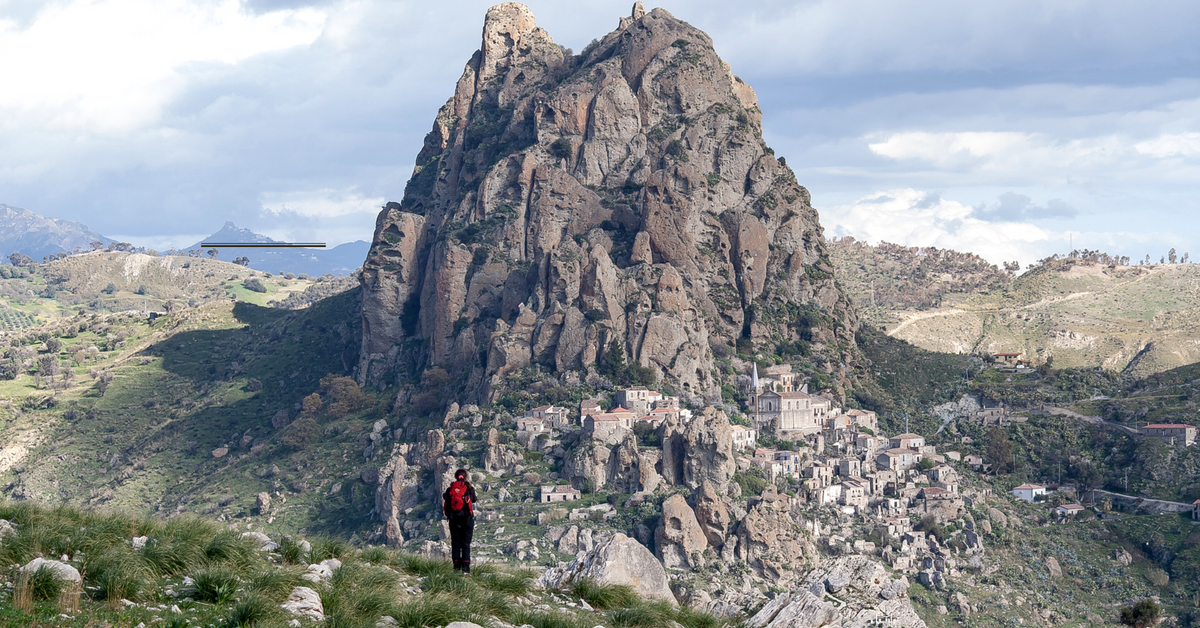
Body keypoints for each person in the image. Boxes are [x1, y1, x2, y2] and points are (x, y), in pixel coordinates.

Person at [442, 468, 477, 574]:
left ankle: (456, 568)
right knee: (466, 544)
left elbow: (445, 497)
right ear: (465, 476)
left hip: (453, 520)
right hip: (466, 520)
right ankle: (466, 569)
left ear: (456, 477)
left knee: (456, 544)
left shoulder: (450, 489)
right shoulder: (469, 488)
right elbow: (474, 499)